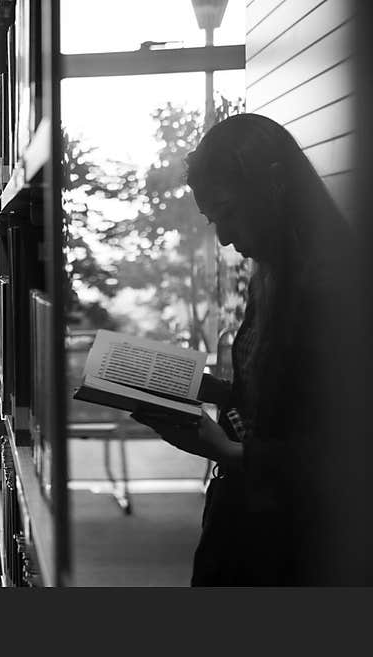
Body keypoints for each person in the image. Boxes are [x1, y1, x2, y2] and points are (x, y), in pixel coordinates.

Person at [132, 113, 361, 585]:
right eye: (214, 220)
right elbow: (283, 400)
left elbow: (347, 452)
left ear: (273, 185)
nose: (226, 238)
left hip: (298, 547)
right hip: (251, 523)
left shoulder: (340, 287)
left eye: (229, 212)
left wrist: (230, 453)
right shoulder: (273, 272)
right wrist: (212, 389)